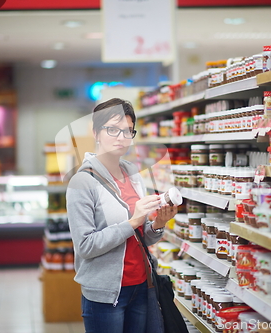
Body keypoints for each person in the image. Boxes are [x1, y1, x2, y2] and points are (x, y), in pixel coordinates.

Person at [66, 98, 177, 333]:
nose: (121, 138)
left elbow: (141, 236)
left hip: (141, 285)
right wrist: (133, 221)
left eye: (127, 131)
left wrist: (158, 223)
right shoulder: (82, 182)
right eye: (112, 130)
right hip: (106, 296)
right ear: (96, 132)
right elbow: (85, 245)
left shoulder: (133, 173)